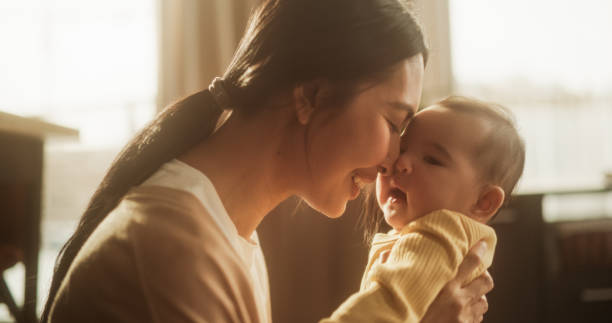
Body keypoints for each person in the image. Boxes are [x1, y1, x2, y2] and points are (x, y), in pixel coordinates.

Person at [42, 1, 493, 322]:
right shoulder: (173, 247)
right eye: (394, 125)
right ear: (312, 96)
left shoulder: (231, 232)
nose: (392, 160)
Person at [324, 96, 525, 322]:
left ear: (483, 202)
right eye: (402, 149)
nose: (400, 163)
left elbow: (385, 306)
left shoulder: (437, 236)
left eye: (431, 159)